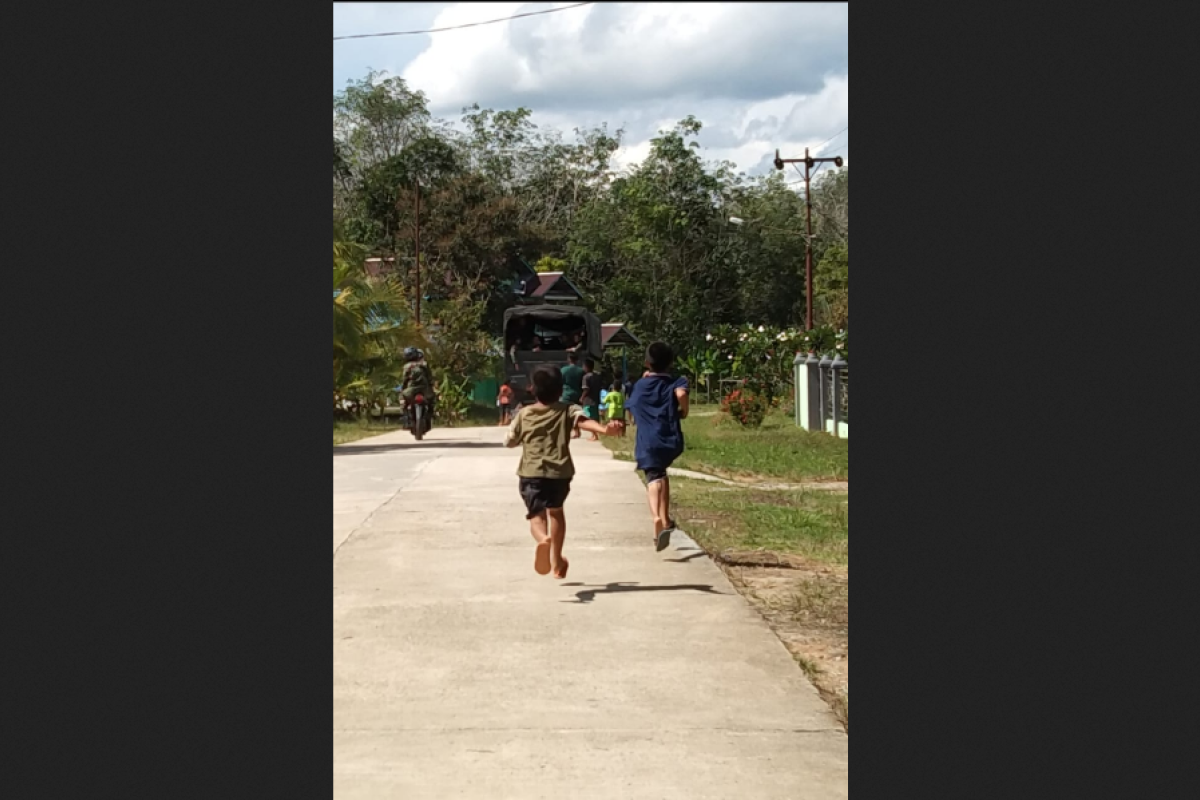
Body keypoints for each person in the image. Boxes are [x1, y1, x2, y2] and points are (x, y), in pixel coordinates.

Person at [505, 366, 623, 578]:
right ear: (560, 390)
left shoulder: (524, 414)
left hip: (531, 472)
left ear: (533, 390)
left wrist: (516, 440)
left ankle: (542, 539)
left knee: (536, 516)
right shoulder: (567, 409)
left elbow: (510, 441)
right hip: (560, 473)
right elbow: (584, 421)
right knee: (556, 511)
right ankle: (557, 560)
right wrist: (606, 429)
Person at [622, 342, 689, 552]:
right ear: (670, 362)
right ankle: (666, 520)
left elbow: (631, 407)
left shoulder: (639, 386)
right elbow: (681, 394)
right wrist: (683, 411)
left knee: (653, 478)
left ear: (646, 363)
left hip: (647, 440)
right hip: (669, 438)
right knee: (661, 473)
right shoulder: (677, 380)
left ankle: (656, 517)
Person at [399, 346, 436, 423]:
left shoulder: (407, 366)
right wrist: (432, 385)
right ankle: (430, 415)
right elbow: (430, 377)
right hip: (424, 389)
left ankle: (405, 416)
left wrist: (402, 389)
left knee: (403, 401)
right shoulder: (424, 364)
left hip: (411, 390)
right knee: (432, 400)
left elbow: (405, 379)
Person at [581, 357, 604, 442]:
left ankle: (594, 435)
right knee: (595, 418)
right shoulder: (597, 376)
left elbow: (586, 389)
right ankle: (595, 434)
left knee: (589, 418)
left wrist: (582, 397)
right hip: (596, 399)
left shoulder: (586, 377)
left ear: (586, 366)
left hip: (589, 400)